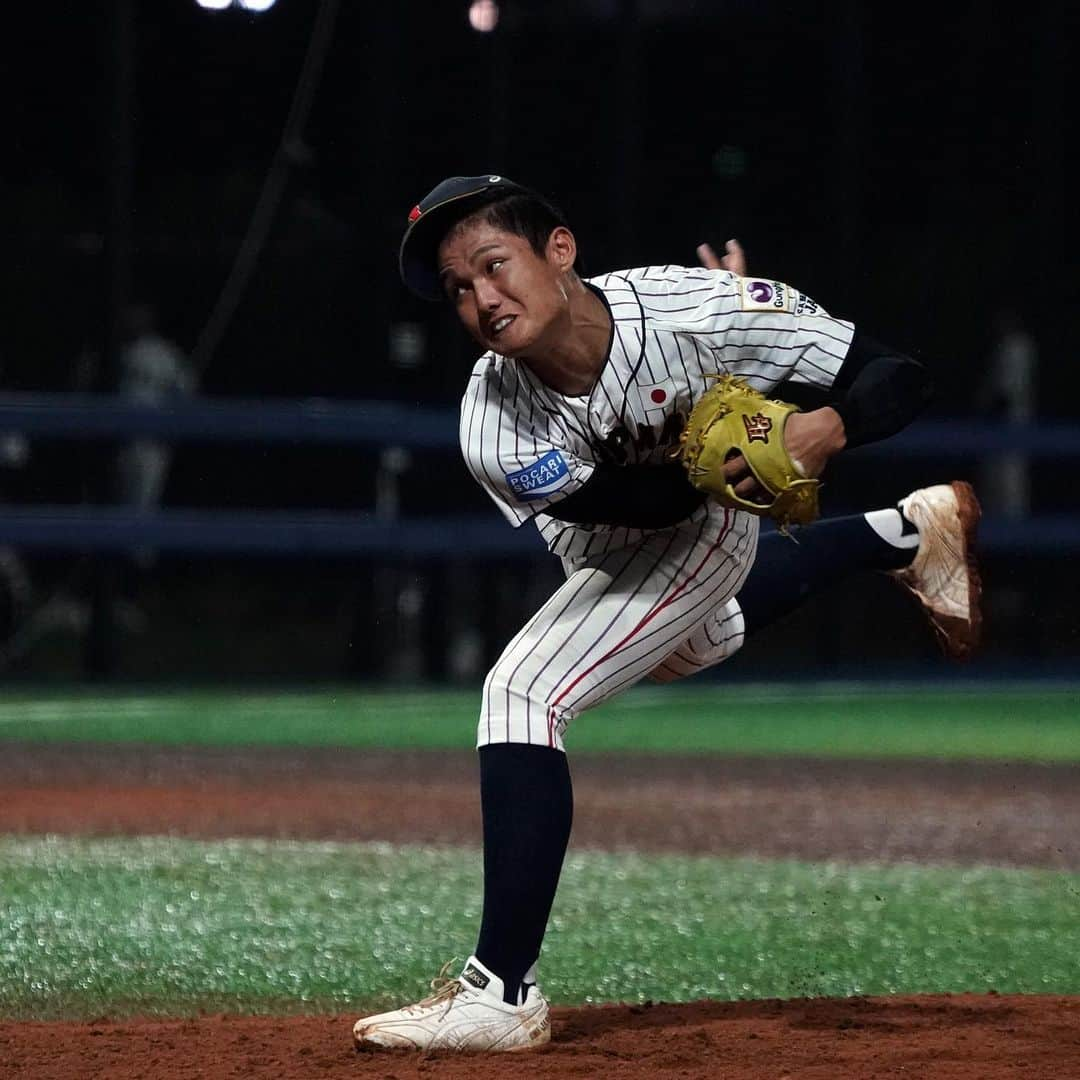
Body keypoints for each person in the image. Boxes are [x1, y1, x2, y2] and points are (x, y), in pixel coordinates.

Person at [352, 175, 981, 1053]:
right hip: (634, 529)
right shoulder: (491, 418)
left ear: (559, 251)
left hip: (707, 531)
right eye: (459, 288)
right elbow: (633, 506)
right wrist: (730, 425)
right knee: (699, 638)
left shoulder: (699, 311)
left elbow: (897, 374)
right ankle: (903, 531)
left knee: (524, 695)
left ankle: (501, 991)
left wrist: (818, 423)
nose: (482, 299)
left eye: (494, 266)